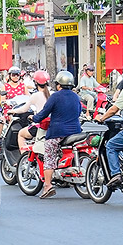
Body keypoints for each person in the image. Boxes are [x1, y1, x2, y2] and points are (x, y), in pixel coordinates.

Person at [31, 71, 84, 199]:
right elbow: (78, 112)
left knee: (49, 156)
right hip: (76, 131)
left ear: (58, 85)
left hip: (57, 132)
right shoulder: (76, 97)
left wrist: (34, 118)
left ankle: (47, 186)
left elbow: (44, 112)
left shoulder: (55, 96)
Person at [15, 70, 51, 151]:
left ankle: (23, 160)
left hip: (40, 125)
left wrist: (12, 111)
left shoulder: (35, 95)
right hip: (50, 126)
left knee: (21, 134)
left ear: (35, 82)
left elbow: (24, 109)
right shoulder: (51, 94)